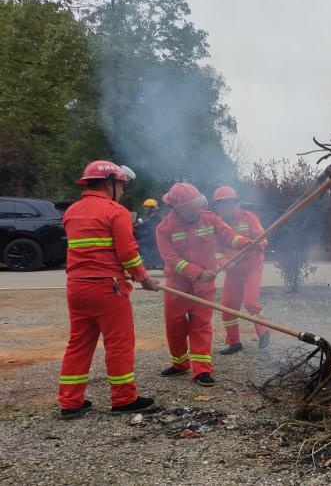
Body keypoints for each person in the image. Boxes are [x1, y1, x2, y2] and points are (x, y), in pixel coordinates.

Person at [58, 160, 160, 419]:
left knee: (78, 344)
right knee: (119, 344)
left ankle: (70, 402)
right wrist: (144, 278)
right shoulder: (116, 212)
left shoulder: (72, 212)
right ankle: (124, 398)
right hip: (107, 288)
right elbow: (127, 252)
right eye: (121, 185)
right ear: (108, 183)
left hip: (77, 288)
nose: (123, 191)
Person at [155, 182, 250, 386]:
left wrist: (243, 242)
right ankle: (180, 364)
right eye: (191, 207)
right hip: (177, 288)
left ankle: (202, 370)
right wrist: (198, 273)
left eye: (198, 205)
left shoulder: (209, 218)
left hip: (204, 287)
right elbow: (171, 259)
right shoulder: (164, 229)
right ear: (178, 208)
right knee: (175, 327)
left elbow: (227, 234)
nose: (196, 211)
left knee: (201, 326)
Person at [210, 186, 270, 354]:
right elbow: (216, 250)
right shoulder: (217, 224)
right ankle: (234, 343)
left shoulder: (248, 217)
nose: (224, 208)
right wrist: (223, 262)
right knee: (228, 306)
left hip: (252, 266)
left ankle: (264, 333)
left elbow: (262, 237)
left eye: (227, 204)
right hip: (233, 270)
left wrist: (259, 243)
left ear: (234, 203)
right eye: (220, 205)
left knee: (251, 302)